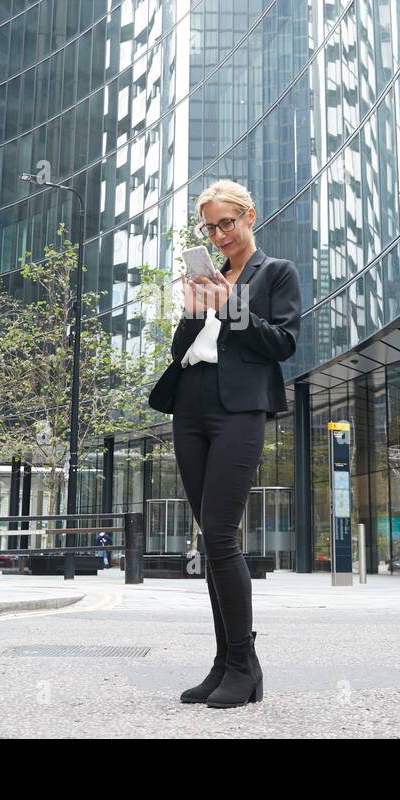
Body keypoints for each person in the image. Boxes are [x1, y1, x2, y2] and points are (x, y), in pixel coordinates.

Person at [148, 179, 301, 709]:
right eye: (209, 227)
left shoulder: (276, 273)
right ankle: (223, 662)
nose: (218, 235)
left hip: (239, 409)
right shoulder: (206, 277)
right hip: (190, 406)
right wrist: (194, 309)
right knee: (207, 540)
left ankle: (245, 664)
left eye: (226, 224)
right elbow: (180, 350)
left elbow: (283, 342)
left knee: (220, 534)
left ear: (249, 216)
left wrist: (231, 305)